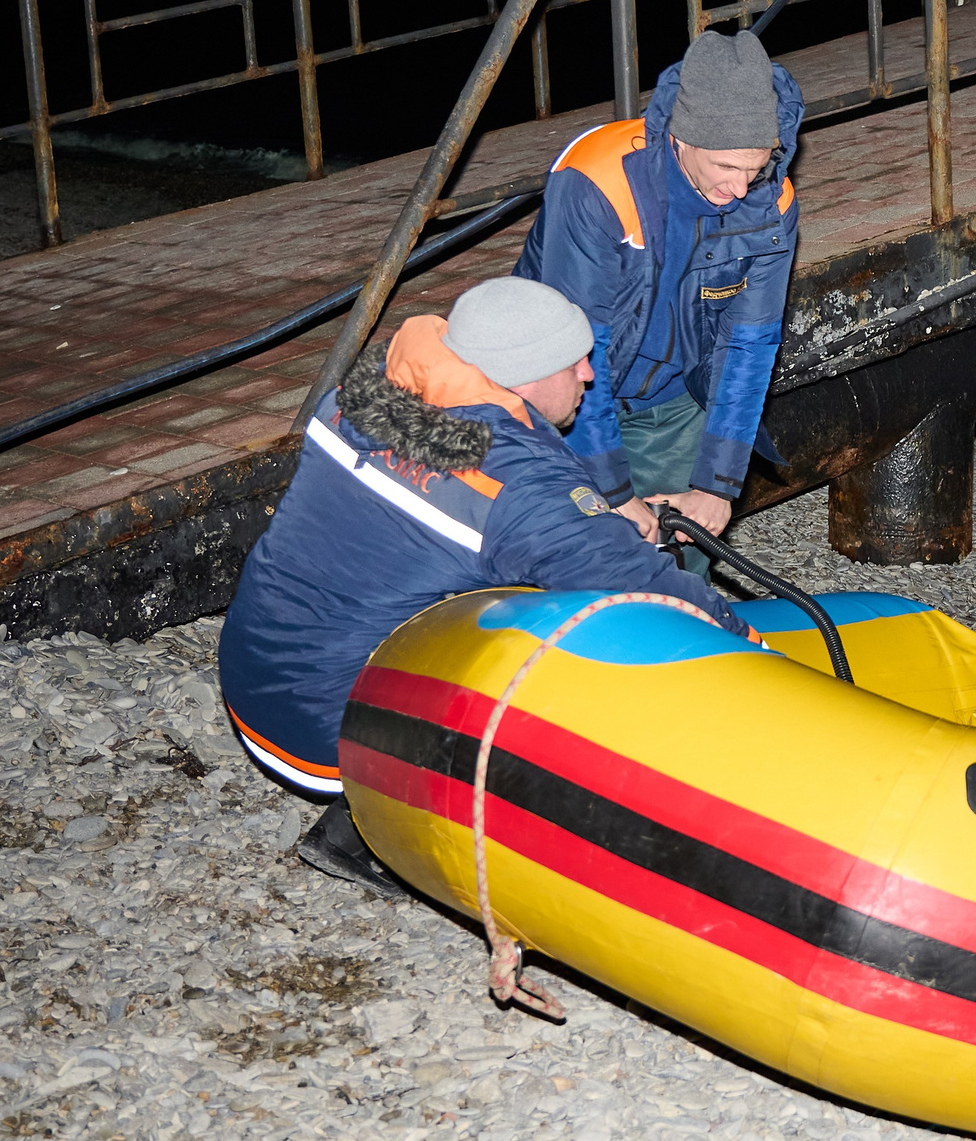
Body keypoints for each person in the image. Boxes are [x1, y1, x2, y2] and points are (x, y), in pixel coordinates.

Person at [219, 278, 755, 896]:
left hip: (255, 674)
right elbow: (639, 583)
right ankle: (379, 833)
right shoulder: (515, 486)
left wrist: (596, 522)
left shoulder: (358, 397)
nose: (588, 372)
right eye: (572, 361)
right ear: (521, 375)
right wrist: (750, 649)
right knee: (579, 650)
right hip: (323, 736)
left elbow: (500, 511)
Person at [515, 27, 800, 576]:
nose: (740, 190)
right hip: (561, 394)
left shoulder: (771, 199)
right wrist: (613, 490)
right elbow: (575, 352)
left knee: (674, 569)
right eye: (726, 168)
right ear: (682, 138)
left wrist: (717, 485)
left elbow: (750, 344)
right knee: (565, 564)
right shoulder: (597, 183)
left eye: (755, 167)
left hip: (668, 401)